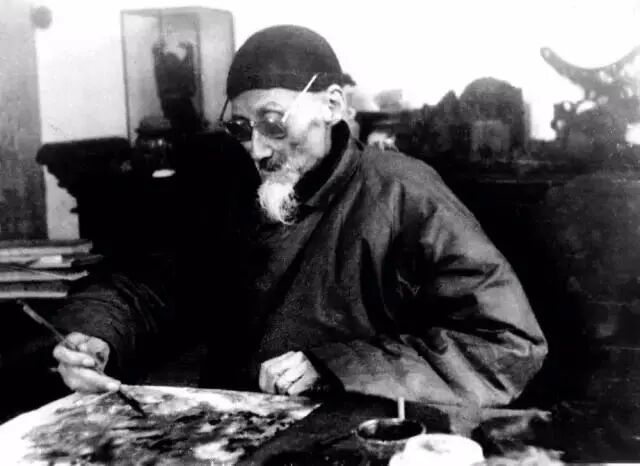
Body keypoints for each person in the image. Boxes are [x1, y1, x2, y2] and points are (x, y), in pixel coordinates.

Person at [51, 25, 547, 407]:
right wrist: (96, 335)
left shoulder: (403, 193)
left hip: (354, 424)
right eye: (241, 128)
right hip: (238, 418)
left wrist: (336, 367)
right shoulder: (231, 184)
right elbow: (153, 285)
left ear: (332, 105)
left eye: (273, 122)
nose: (257, 150)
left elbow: (506, 345)